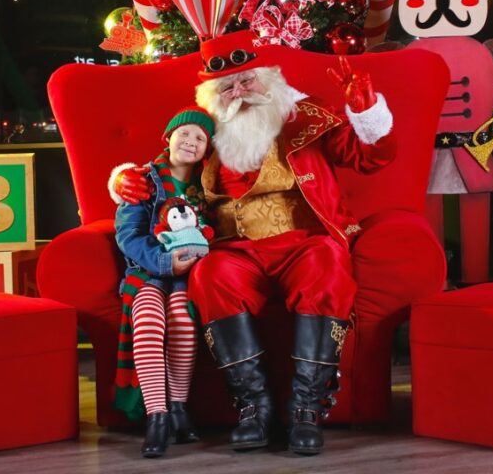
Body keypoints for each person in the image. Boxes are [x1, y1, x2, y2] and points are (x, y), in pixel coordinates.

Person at [114, 29, 396, 455]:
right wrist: (123, 179)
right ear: (213, 97)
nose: (239, 92)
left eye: (248, 80)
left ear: (270, 80)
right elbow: (165, 167)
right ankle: (255, 408)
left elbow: (370, 158)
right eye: (227, 87)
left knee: (327, 265)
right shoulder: (205, 134)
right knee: (209, 274)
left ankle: (305, 409)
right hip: (233, 248)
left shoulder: (304, 116)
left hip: (304, 239)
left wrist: (365, 109)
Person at [110, 106, 215, 458]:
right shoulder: (144, 179)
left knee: (183, 320)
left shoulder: (208, 186)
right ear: (168, 137)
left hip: (190, 273)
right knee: (150, 322)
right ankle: (157, 416)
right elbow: (127, 235)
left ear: (207, 150)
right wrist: (162, 262)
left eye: (200, 138)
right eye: (183, 133)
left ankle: (179, 409)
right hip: (148, 271)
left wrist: (195, 262)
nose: (190, 141)